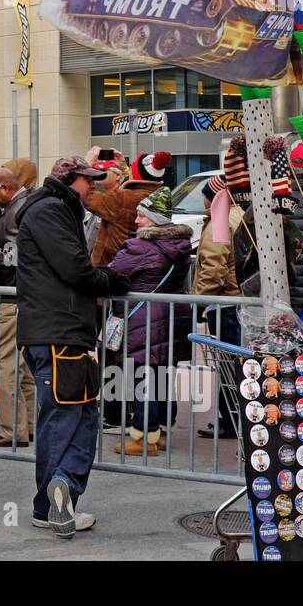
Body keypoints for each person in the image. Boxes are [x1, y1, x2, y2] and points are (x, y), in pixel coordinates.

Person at [16, 156, 129, 539]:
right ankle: (53, 498)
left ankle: (56, 496)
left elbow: (73, 267)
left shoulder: (56, 208)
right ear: (69, 180)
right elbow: (75, 268)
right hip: (58, 333)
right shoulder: (50, 210)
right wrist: (110, 279)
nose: (94, 186)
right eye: (88, 180)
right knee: (67, 419)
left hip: (61, 332)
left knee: (75, 417)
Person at [106, 187, 193, 456]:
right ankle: (161, 431)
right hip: (172, 318)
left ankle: (144, 436)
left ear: (154, 219)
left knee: (141, 377)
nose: (135, 221)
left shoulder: (139, 247)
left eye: (141, 216)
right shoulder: (180, 246)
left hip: (141, 320)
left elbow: (112, 274)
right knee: (163, 374)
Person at [0, 166, 34, 448]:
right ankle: (26, 426)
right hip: (20, 296)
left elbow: (14, 255)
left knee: (5, 363)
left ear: (4, 188)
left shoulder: (16, 211)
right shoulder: (21, 206)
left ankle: (12, 428)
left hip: (12, 296)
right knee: (22, 364)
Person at [193, 175, 244, 439]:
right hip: (238, 302)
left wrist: (197, 300)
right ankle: (238, 417)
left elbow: (213, 270)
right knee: (238, 364)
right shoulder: (241, 215)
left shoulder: (220, 220)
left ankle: (231, 419)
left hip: (225, 304)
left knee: (227, 365)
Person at [83, 151, 170, 267]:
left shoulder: (124, 198)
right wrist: (125, 169)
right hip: (138, 265)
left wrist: (85, 166)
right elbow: (139, 184)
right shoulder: (158, 197)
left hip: (110, 267)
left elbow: (86, 197)